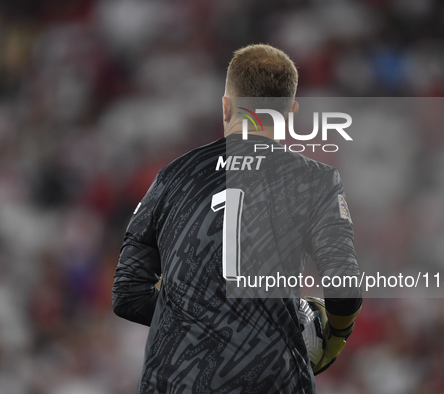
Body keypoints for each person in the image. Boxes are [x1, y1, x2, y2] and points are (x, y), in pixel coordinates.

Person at [112, 44, 362, 393]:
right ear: (290, 114)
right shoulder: (316, 180)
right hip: (271, 379)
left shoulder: (174, 177)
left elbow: (128, 293)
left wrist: (201, 320)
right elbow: (344, 285)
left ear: (226, 106)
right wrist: (333, 337)